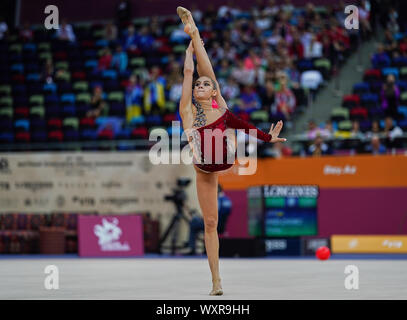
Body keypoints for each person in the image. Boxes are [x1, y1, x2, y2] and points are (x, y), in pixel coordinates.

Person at [176, 6, 286, 296]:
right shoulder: (187, 110)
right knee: (210, 223)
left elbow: (244, 124)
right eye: (198, 85)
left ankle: (197, 30)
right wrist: (188, 53)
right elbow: (191, 71)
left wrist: (267, 138)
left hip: (224, 159)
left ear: (213, 92)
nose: (201, 85)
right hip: (203, 170)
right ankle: (216, 281)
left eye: (206, 85)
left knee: (210, 73)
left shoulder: (221, 108)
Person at [185, 184, 231, 256]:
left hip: (214, 225)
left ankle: (192, 248)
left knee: (193, 222)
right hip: (221, 226)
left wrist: (201, 217)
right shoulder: (227, 200)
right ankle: (204, 247)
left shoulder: (217, 200)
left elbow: (212, 216)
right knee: (197, 221)